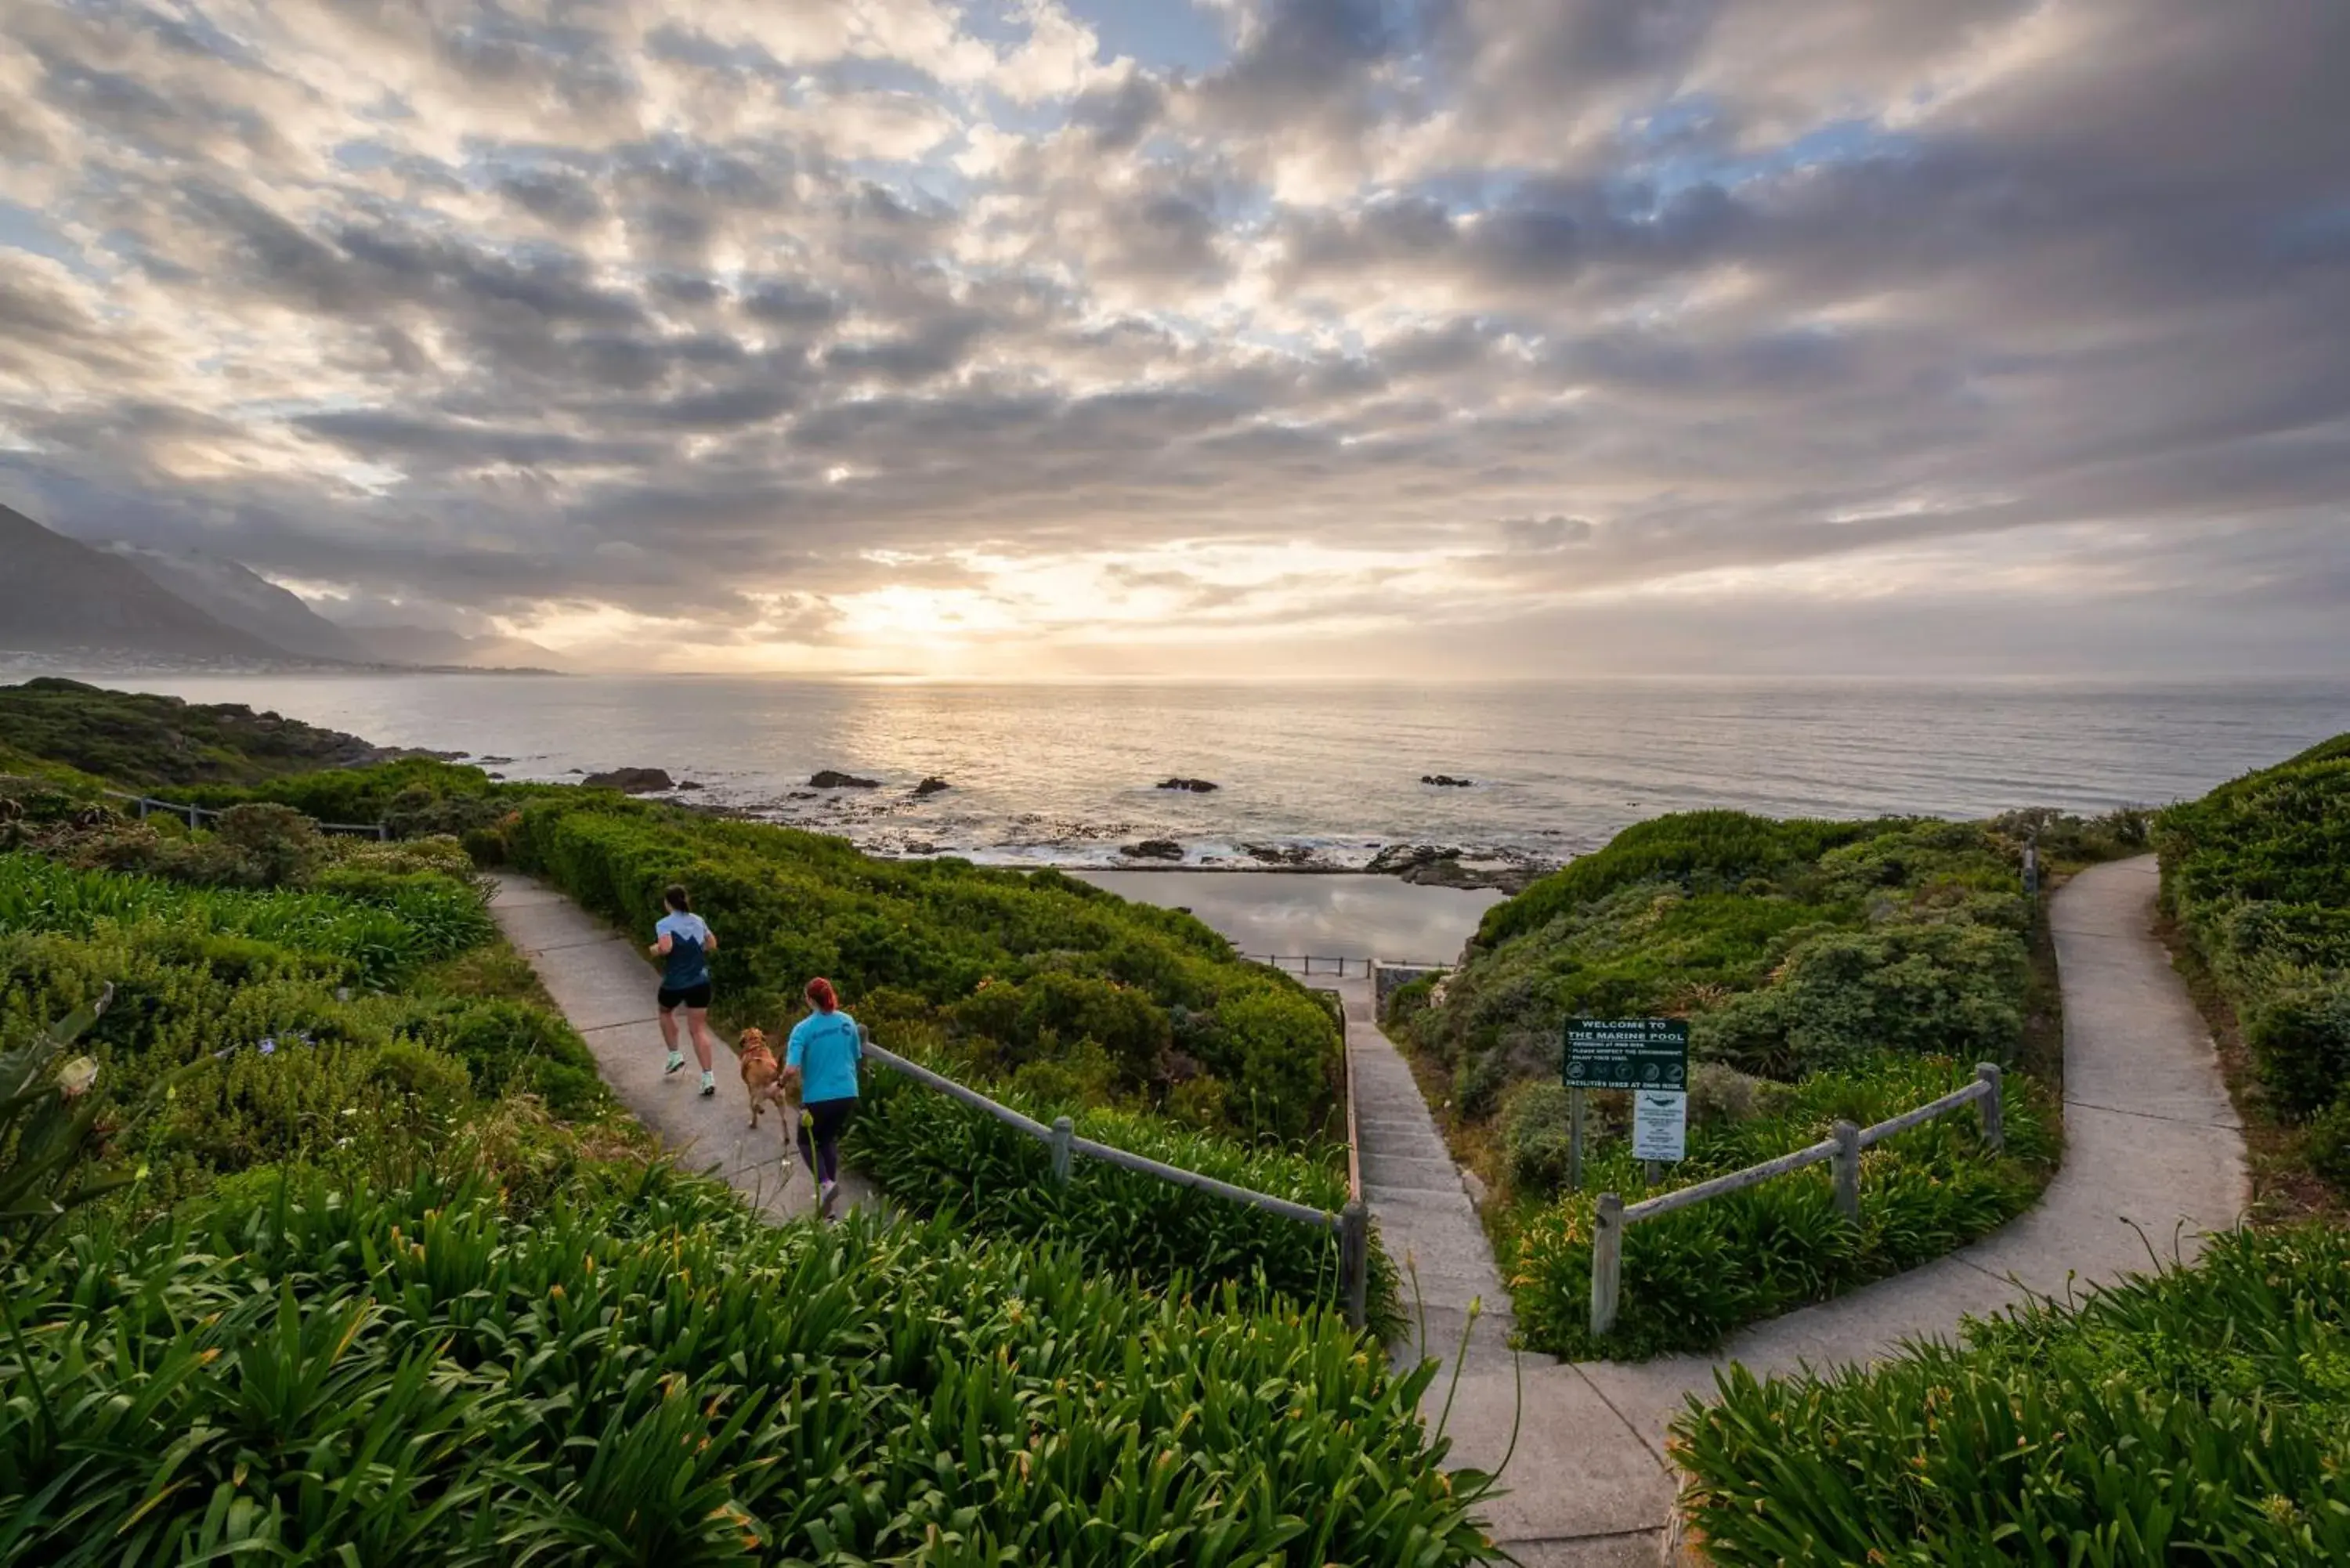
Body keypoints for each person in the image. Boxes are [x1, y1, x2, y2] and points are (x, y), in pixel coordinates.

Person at [784, 976, 862, 1216]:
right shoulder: (848, 1022)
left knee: (805, 1142)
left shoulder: (803, 1030)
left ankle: (826, 1185)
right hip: (847, 1092)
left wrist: (780, 1083)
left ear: (809, 1000)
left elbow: (792, 1069)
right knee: (827, 1139)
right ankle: (828, 1199)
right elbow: (856, 1056)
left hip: (818, 1096)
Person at [649, 884, 720, 1097]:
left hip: (675, 983)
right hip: (700, 981)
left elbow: (666, 948)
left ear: (668, 903)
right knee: (698, 1029)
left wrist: (654, 950)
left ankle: (674, 1054)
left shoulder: (664, 924)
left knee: (665, 1011)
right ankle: (708, 1076)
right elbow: (712, 943)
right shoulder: (698, 920)